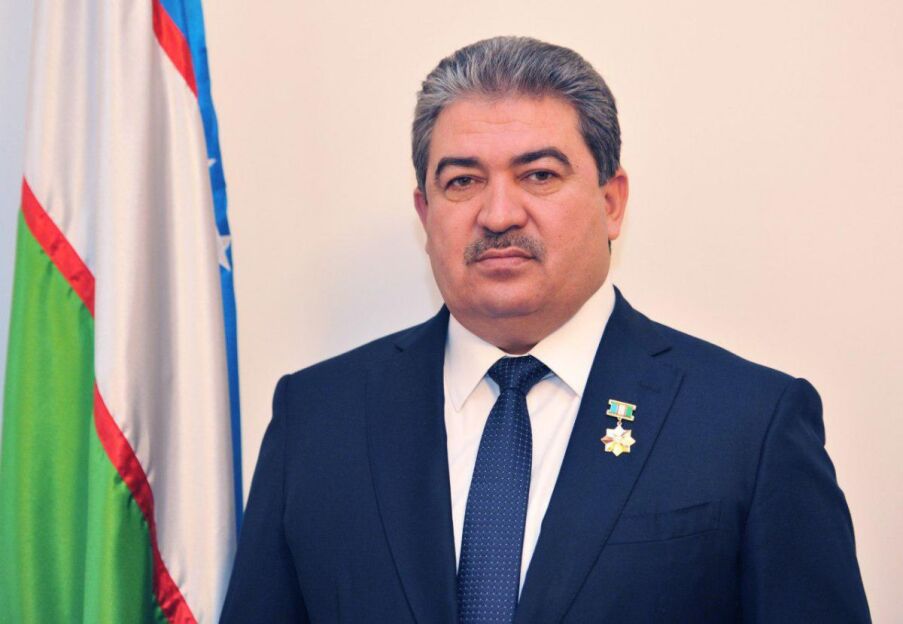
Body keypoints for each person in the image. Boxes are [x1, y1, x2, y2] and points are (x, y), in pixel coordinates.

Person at [221, 36, 870, 623]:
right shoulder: (318, 420)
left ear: (611, 202)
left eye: (538, 175)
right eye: (462, 181)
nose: (498, 214)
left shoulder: (747, 424)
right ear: (425, 213)